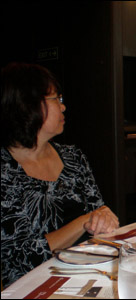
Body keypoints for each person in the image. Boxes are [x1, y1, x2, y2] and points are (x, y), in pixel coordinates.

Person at [1, 63, 119, 287]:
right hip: (34, 286)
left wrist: (104, 220)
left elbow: (102, 216)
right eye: (56, 99)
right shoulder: (5, 171)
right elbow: (20, 258)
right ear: (27, 106)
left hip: (91, 274)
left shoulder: (73, 157)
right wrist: (84, 222)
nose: (63, 108)